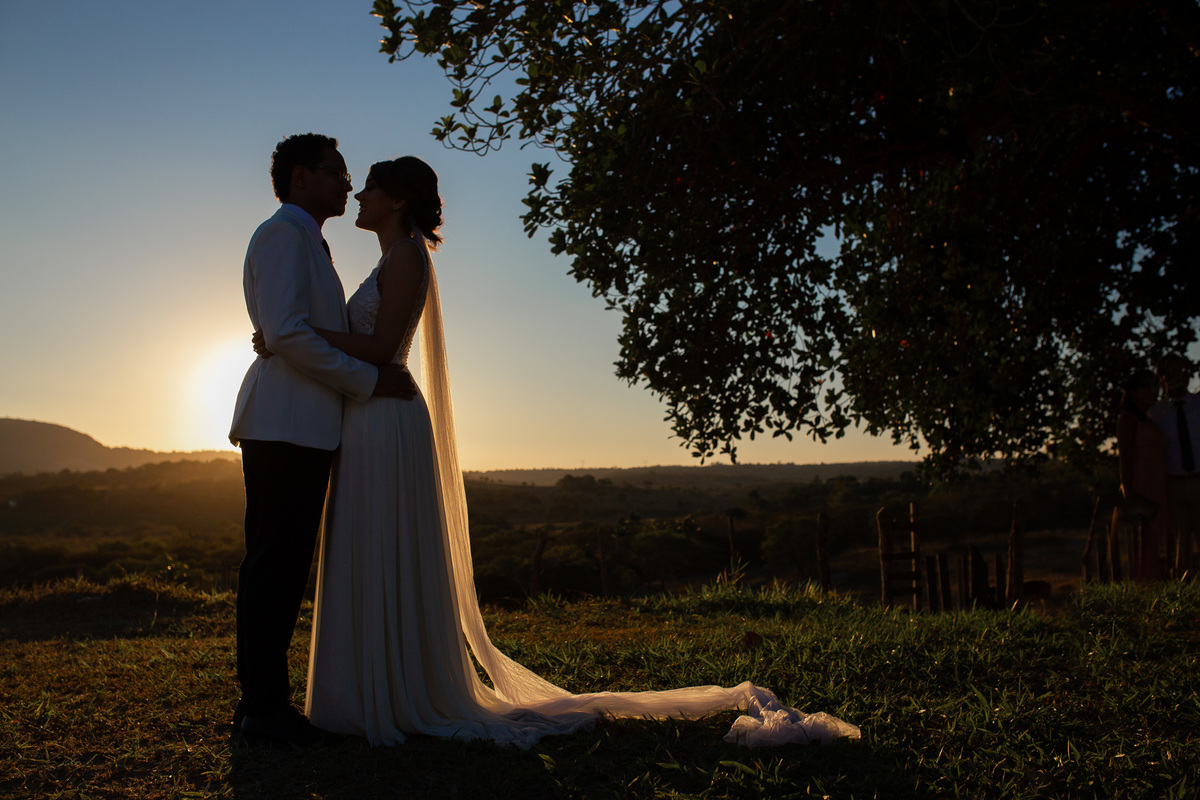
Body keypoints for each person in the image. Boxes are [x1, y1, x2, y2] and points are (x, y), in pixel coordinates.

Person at [260, 155, 859, 748]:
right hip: (368, 414)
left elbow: (383, 343)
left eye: (367, 187)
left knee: (382, 542)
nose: (358, 195)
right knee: (368, 543)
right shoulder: (391, 257)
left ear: (396, 200)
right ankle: (370, 687)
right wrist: (294, 338)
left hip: (387, 415)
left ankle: (393, 691)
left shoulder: (407, 257)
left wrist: (288, 338)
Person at [228, 133, 415, 746]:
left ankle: (263, 703)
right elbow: (286, 333)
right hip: (285, 423)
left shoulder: (313, 240)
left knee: (282, 564)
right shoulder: (283, 234)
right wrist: (366, 379)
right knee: (273, 565)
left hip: (307, 425)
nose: (346, 184)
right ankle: (262, 708)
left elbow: (295, 331)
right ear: (302, 177)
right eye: (337, 173)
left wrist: (292, 338)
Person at [1148, 354, 1200, 577]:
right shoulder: (1156, 413)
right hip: (1174, 486)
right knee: (1180, 545)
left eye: (1182, 372)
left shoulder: (1198, 404)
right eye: (1172, 373)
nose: (1179, 377)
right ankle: (1184, 594)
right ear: (1162, 377)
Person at [1116, 370, 1168, 581]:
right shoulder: (1127, 420)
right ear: (1134, 393)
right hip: (1144, 485)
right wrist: (1130, 495)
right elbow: (1125, 460)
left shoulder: (1148, 419)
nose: (1152, 392)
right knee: (1147, 541)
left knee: (1160, 539)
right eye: (1147, 387)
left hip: (1159, 484)